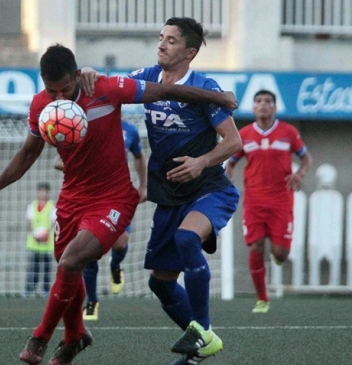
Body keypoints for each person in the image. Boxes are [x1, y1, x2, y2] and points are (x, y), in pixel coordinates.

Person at [0, 43, 236, 365]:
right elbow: (29, 152)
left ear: (77, 76)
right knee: (69, 268)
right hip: (72, 198)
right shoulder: (41, 107)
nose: (59, 98)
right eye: (52, 91)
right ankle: (75, 336)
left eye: (65, 89)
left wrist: (218, 98)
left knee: (71, 261)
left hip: (114, 198)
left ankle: (40, 337)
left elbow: (163, 91)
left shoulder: (106, 89)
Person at [82, 17, 242, 365]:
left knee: (187, 240)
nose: (162, 44)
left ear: (190, 52)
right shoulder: (147, 77)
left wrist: (201, 162)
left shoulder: (204, 86)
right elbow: (110, 88)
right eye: (160, 38)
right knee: (161, 282)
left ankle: (202, 331)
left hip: (210, 188)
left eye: (171, 40)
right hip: (170, 195)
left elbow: (233, 141)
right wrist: (93, 74)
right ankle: (205, 344)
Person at [225, 89, 312, 314]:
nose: (263, 105)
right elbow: (232, 162)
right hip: (254, 200)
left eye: (268, 101)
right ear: (253, 108)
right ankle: (262, 299)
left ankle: (279, 255)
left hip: (281, 200)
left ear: (274, 107)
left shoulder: (288, 132)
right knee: (255, 245)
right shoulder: (244, 134)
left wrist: (299, 174)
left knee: (280, 253)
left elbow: (305, 157)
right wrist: (228, 176)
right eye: (259, 101)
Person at [54, 119, 147, 321]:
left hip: (116, 196)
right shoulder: (85, 126)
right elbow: (58, 161)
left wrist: (144, 186)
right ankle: (92, 301)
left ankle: (115, 266)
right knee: (87, 250)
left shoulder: (128, 130)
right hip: (87, 198)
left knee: (120, 242)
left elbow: (139, 156)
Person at [24, 182, 56, 298]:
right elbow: (29, 222)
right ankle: (29, 291)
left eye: (44, 191)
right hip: (34, 244)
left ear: (48, 193)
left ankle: (46, 290)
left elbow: (53, 222)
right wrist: (35, 234)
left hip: (47, 244)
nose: (42, 193)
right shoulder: (32, 206)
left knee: (47, 269)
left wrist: (45, 234)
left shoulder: (52, 206)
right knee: (33, 269)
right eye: (40, 191)